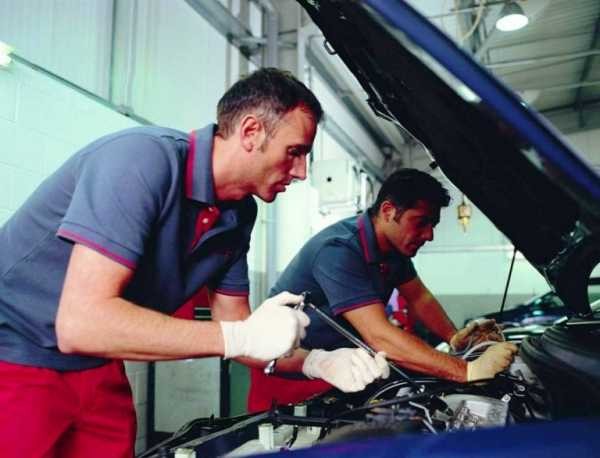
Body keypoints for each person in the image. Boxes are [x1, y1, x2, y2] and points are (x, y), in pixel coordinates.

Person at [0, 68, 387, 457]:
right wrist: (238, 337)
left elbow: (239, 330)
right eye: (295, 152)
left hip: (97, 362)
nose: (302, 172)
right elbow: (81, 324)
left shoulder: (239, 214)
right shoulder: (141, 160)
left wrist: (319, 362)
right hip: (15, 352)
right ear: (251, 132)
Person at [247, 168, 517, 412]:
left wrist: (454, 336)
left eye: (433, 225)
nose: (429, 235)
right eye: (421, 222)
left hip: (343, 371)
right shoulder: (338, 250)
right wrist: (466, 370)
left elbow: (419, 298)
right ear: (388, 211)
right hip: (292, 377)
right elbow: (379, 336)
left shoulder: (393, 251)